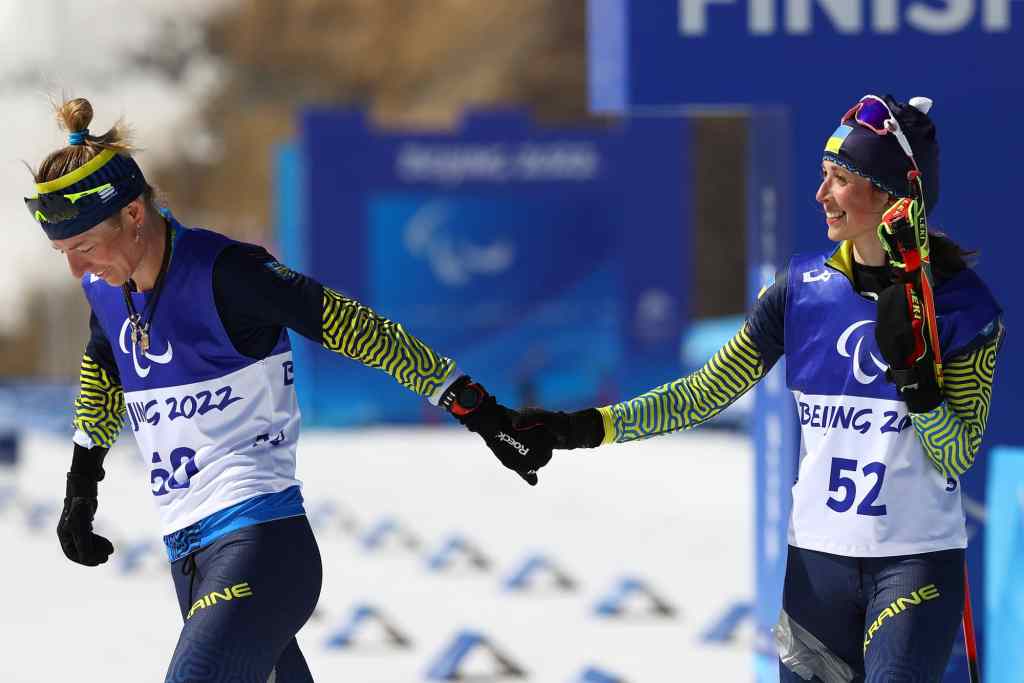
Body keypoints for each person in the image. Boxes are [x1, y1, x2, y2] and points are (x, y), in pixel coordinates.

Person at [30, 97, 553, 683]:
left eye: (83, 248)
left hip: (260, 541)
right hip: (188, 553)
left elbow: (362, 330)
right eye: (63, 254)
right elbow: (101, 375)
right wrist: (81, 489)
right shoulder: (107, 291)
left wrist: (480, 411)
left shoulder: (227, 273)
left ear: (132, 214)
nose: (76, 270)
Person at [522, 94, 1004, 681]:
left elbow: (956, 452)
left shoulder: (963, 307)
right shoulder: (801, 289)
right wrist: (581, 428)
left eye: (840, 179)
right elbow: (703, 392)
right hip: (816, 569)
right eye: (823, 176)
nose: (820, 196)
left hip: (913, 563)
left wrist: (917, 383)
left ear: (890, 195)